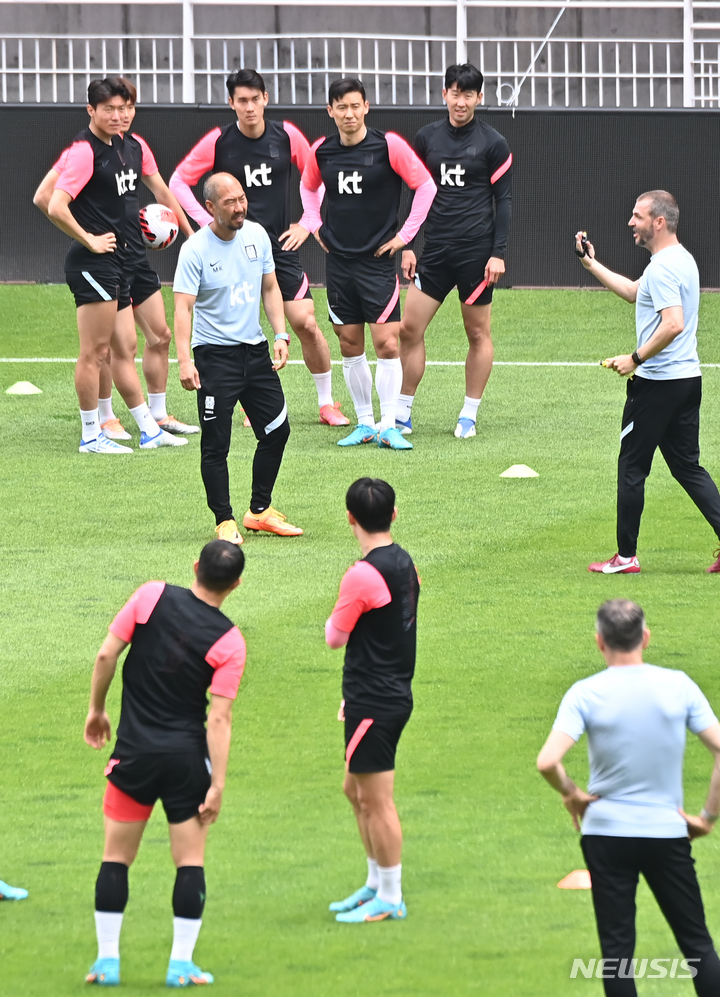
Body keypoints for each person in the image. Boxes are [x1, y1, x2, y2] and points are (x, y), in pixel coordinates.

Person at [537, 598, 720, 997]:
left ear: (599, 642)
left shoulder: (585, 693)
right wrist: (706, 817)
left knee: (617, 954)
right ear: (646, 638)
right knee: (697, 945)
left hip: (604, 834)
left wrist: (574, 795)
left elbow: (548, 761)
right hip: (665, 832)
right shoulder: (679, 686)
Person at [83, 539, 246, 988]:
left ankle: (107, 962)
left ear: (195, 566)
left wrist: (97, 710)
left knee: (115, 858)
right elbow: (219, 717)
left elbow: (105, 655)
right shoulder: (230, 641)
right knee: (189, 862)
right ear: (236, 585)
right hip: (187, 764)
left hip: (132, 756)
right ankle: (180, 965)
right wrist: (218, 784)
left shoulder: (150, 595)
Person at [169, 68, 349, 428]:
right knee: (239, 329)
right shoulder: (219, 142)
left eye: (255, 99)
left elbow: (317, 179)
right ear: (231, 103)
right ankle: (250, 402)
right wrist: (205, 224)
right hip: (232, 248)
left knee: (307, 324)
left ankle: (327, 403)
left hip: (278, 247)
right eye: (242, 101)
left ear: (266, 99)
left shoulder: (287, 136)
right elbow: (178, 181)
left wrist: (307, 222)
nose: (249, 107)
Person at [34, 79, 198, 441]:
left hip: (133, 256)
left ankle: (155, 420)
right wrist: (88, 239)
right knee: (106, 348)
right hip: (101, 259)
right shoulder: (83, 151)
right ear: (91, 110)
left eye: (125, 108)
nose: (119, 115)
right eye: (109, 108)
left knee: (158, 335)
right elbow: (47, 199)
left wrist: (192, 237)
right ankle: (103, 422)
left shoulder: (135, 146)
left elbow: (162, 192)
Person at [576, 191, 720, 574]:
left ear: (658, 222)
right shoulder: (680, 260)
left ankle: (625, 557)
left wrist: (635, 358)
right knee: (688, 467)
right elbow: (635, 293)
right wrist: (591, 264)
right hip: (687, 380)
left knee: (631, 467)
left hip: (658, 385)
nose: (630, 223)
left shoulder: (663, 268)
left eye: (637, 216)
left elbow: (673, 323)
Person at [301, 78, 436, 450]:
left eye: (355, 106)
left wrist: (404, 236)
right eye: (341, 107)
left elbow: (425, 186)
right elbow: (308, 187)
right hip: (339, 263)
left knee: (388, 342)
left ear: (366, 106)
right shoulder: (322, 151)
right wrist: (313, 223)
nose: (349, 113)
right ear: (330, 111)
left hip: (377, 261)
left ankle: (389, 425)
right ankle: (364, 424)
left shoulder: (388, 145)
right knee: (348, 342)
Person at [174, 172, 303, 543]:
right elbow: (183, 308)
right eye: (230, 202)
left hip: (255, 351)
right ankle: (224, 519)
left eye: (242, 198)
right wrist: (185, 360)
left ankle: (259, 511)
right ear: (211, 207)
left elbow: (270, 286)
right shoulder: (195, 249)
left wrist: (280, 334)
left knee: (278, 430)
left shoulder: (257, 236)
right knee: (217, 444)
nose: (239, 207)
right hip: (214, 357)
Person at [397, 64, 512, 439]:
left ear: (480, 98)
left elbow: (504, 201)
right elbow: (414, 193)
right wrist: (409, 243)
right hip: (434, 252)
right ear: (443, 94)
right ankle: (402, 412)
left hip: (476, 257)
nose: (460, 101)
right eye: (454, 92)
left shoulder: (493, 143)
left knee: (477, 333)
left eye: (469, 94)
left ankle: (468, 414)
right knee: (409, 328)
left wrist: (498, 252)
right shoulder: (427, 138)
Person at [325, 478, 419, 922]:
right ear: (394, 515)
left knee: (377, 801)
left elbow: (334, 638)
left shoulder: (362, 574)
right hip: (388, 692)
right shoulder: (406, 563)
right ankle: (374, 882)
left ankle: (391, 896)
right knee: (354, 790)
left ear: (350, 518)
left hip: (374, 698)